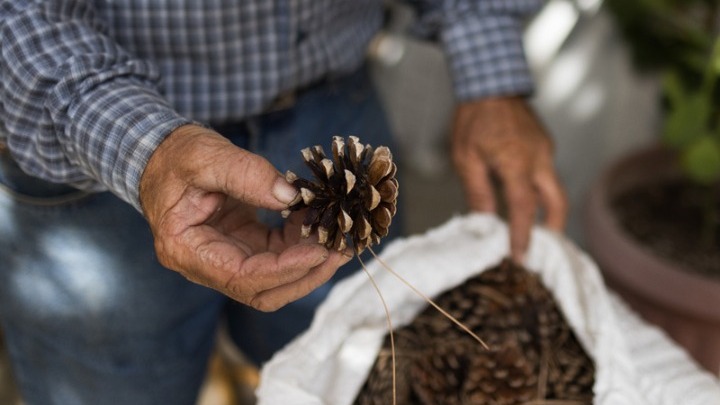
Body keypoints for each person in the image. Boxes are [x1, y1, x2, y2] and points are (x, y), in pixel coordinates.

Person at [0, 1, 566, 404]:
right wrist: (142, 148)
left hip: (334, 107)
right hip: (97, 147)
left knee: (348, 374)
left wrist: (487, 56)